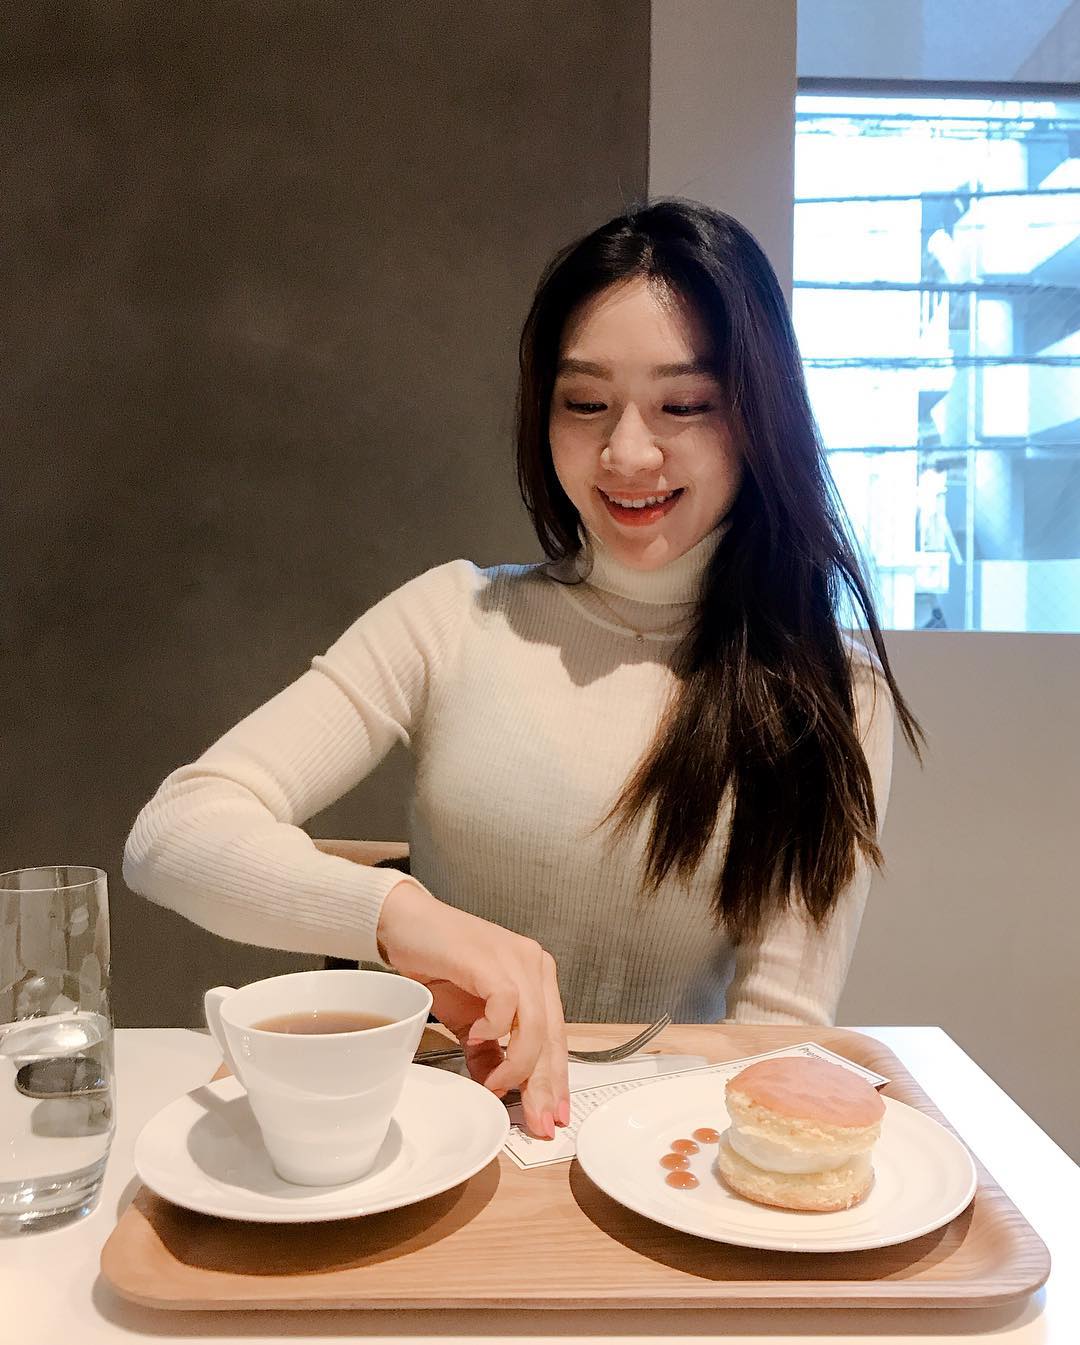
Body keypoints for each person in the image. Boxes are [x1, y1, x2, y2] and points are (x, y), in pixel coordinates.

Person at [124, 200, 921, 1141]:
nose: (627, 452)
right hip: (429, 1144)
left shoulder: (833, 692)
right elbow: (173, 832)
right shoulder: (453, 617)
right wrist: (403, 916)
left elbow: (773, 1041)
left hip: (665, 1162)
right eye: (585, 403)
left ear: (758, 419)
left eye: (683, 406)